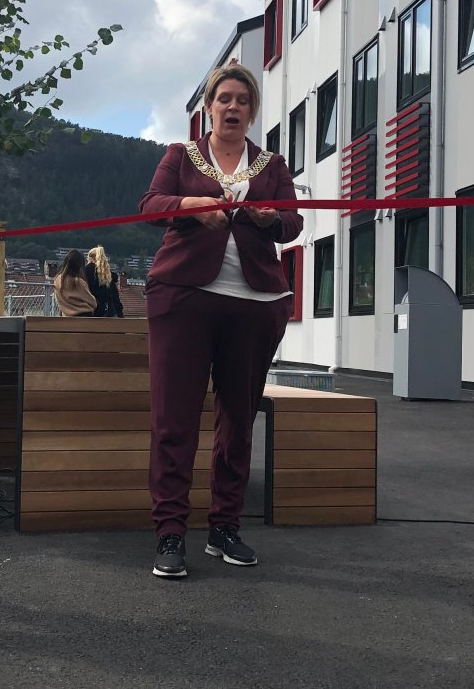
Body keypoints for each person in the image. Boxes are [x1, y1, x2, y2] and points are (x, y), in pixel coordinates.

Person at [137, 62, 301, 579]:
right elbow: (150, 206)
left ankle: (225, 526)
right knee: (174, 419)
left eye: (243, 101)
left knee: (238, 419)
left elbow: (293, 222)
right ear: (208, 107)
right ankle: (170, 531)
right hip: (183, 298)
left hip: (253, 302)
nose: (233, 108)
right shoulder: (178, 155)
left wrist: (268, 217)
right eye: (224, 99)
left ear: (252, 112)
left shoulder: (271, 164)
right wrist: (190, 204)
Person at [52, 249, 95, 316]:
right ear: (80, 266)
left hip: (66, 317)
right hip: (84, 317)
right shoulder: (78, 282)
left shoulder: (57, 280)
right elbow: (93, 303)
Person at [85, 246, 123, 317]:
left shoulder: (86, 272)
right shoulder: (108, 275)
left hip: (91, 313)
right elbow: (115, 299)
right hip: (110, 313)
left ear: (90, 258)